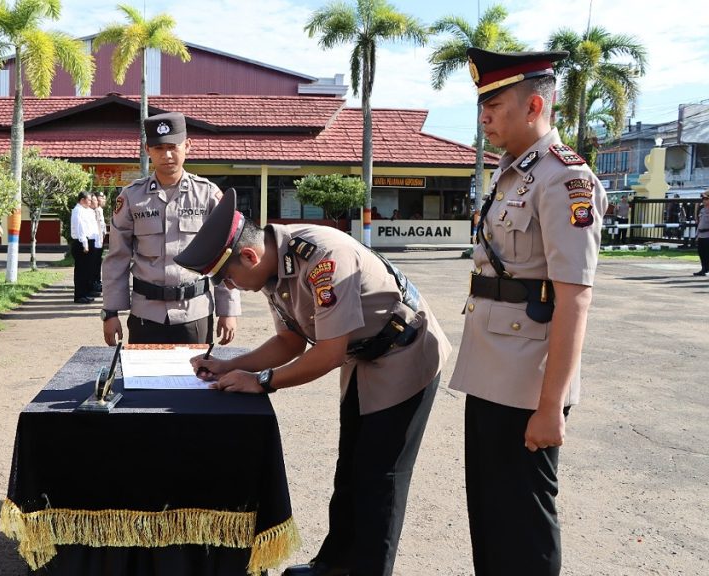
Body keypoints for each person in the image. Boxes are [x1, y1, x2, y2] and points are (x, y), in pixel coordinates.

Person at [175, 189, 451, 576]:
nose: (231, 287)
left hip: (406, 351)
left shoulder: (320, 258)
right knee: (350, 468)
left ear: (249, 256)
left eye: (228, 278)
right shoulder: (272, 269)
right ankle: (334, 565)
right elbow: (290, 340)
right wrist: (228, 366)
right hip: (367, 355)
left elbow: (327, 353)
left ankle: (368, 570)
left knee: (380, 478)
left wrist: (263, 381)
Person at [450, 48, 608, 576]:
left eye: (494, 105)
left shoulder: (565, 180)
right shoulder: (511, 172)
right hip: (490, 371)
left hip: (528, 385)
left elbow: (575, 297)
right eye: (482, 107)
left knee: (525, 521)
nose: (484, 117)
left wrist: (551, 405)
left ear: (535, 104)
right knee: (490, 517)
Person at [100, 111, 240, 345]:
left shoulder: (208, 195)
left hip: (195, 313)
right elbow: (117, 257)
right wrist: (111, 312)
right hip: (146, 315)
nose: (166, 155)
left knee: (196, 380)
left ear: (187, 145)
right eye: (158, 148)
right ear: (147, 150)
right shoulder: (132, 197)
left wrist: (228, 310)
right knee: (143, 381)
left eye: (173, 146)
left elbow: (225, 256)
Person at [70, 192, 98, 304]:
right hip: (82, 242)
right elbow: (80, 228)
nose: (90, 202)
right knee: (81, 271)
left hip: (89, 241)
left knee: (87, 271)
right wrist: (85, 244)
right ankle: (79, 295)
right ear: (82, 200)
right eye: (89, 200)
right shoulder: (78, 211)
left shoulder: (87, 211)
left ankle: (85, 293)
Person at [90, 191, 107, 296]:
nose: (103, 199)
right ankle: (94, 284)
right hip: (96, 242)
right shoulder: (94, 211)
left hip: (100, 241)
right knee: (93, 265)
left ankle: (97, 282)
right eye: (101, 197)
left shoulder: (100, 210)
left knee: (97, 264)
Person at [694, 191, 709, 276]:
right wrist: (697, 235)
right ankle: (704, 269)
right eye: (703, 199)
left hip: (708, 234)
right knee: (701, 252)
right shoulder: (702, 209)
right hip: (701, 234)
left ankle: (707, 270)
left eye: (706, 199)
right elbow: (699, 223)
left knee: (707, 253)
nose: (704, 201)